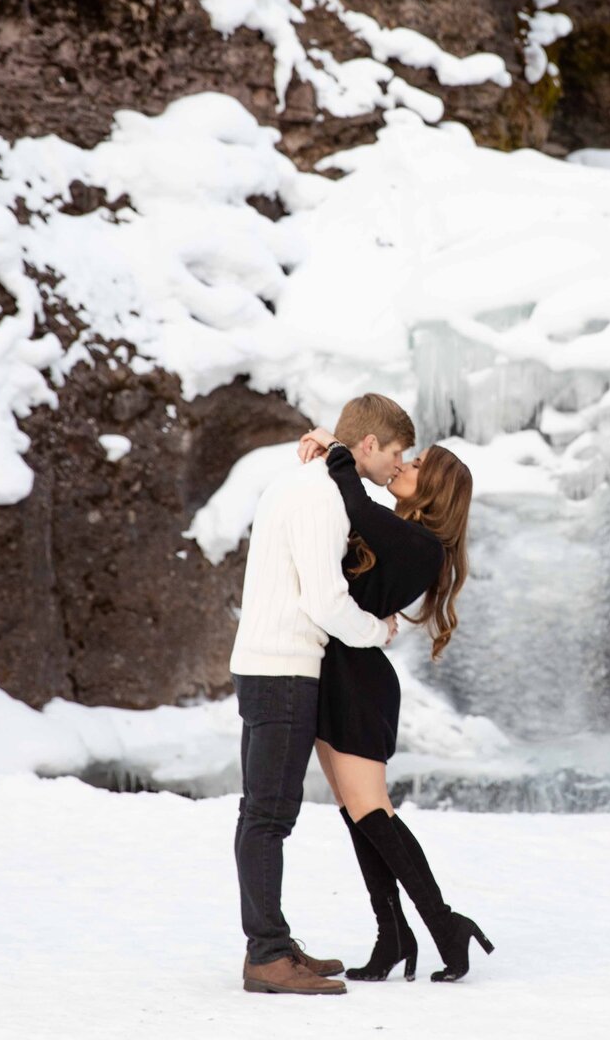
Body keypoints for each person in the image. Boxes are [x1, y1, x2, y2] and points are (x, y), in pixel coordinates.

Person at [229, 393, 415, 995]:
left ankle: (273, 944)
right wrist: (378, 632)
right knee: (269, 816)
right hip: (284, 668)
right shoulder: (322, 498)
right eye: (396, 452)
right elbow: (325, 600)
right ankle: (267, 956)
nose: (397, 464)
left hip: (267, 664)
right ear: (368, 446)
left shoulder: (303, 482)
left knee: (262, 812)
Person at [297, 425, 495, 983]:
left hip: (359, 680)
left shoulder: (422, 545)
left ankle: (442, 924)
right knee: (358, 814)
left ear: (434, 488)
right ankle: (393, 936)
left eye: (418, 464)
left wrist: (337, 448)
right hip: (340, 670)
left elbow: (355, 501)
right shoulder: (403, 535)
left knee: (371, 810)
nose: (403, 464)